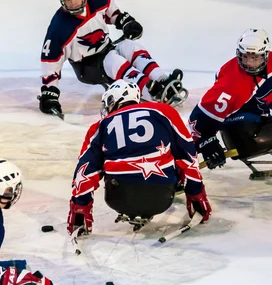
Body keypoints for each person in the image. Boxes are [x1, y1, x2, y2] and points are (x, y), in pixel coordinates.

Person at [67, 80, 212, 235]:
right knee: (171, 156)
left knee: (107, 161)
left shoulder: (100, 126)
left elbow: (86, 170)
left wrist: (80, 207)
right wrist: (196, 192)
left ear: (115, 99)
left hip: (119, 199)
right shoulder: (164, 111)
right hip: (162, 197)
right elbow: (187, 153)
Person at [39, 0, 186, 116]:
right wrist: (49, 93)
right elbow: (50, 61)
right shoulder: (59, 28)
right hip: (87, 67)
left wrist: (126, 22)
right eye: (68, 0)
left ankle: (162, 79)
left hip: (107, 48)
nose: (73, 4)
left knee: (130, 46)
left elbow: (113, 14)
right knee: (114, 60)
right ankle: (152, 92)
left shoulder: (97, 1)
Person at [188, 28, 272, 171]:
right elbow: (198, 120)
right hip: (241, 127)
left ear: (266, 55)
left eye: (255, 57)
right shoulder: (231, 85)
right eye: (245, 57)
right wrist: (204, 140)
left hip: (257, 111)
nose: (249, 64)